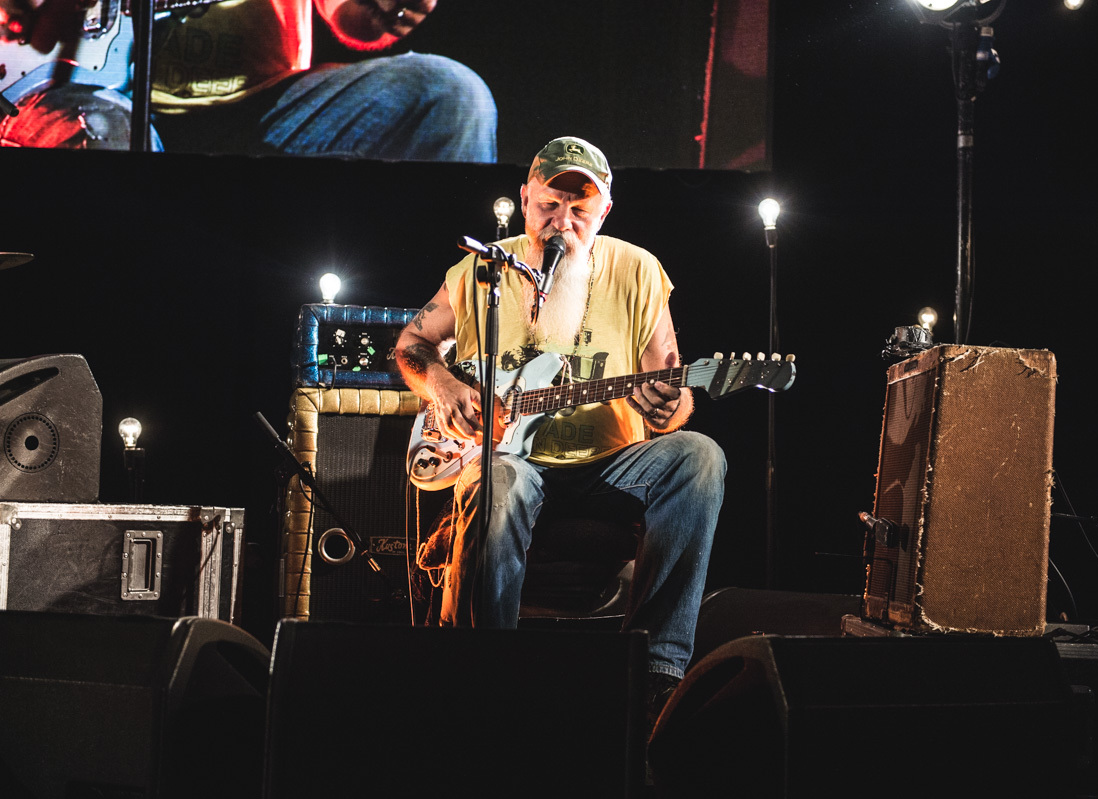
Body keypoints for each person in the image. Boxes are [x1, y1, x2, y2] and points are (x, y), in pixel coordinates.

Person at [395, 136, 726, 724]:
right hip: (508, 460)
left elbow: (671, 397)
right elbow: (412, 344)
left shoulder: (639, 271)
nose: (562, 222)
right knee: (501, 479)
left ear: (605, 211)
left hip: (609, 467)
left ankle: (657, 671)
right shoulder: (481, 270)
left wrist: (668, 407)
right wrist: (443, 387)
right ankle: (484, 673)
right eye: (549, 205)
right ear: (526, 200)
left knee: (698, 455)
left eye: (580, 209)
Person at [1, 0, 495, 159]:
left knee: (453, 95)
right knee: (110, 137)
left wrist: (382, 13)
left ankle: (450, 314)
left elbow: (344, 13)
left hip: (255, 110)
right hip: (67, 80)